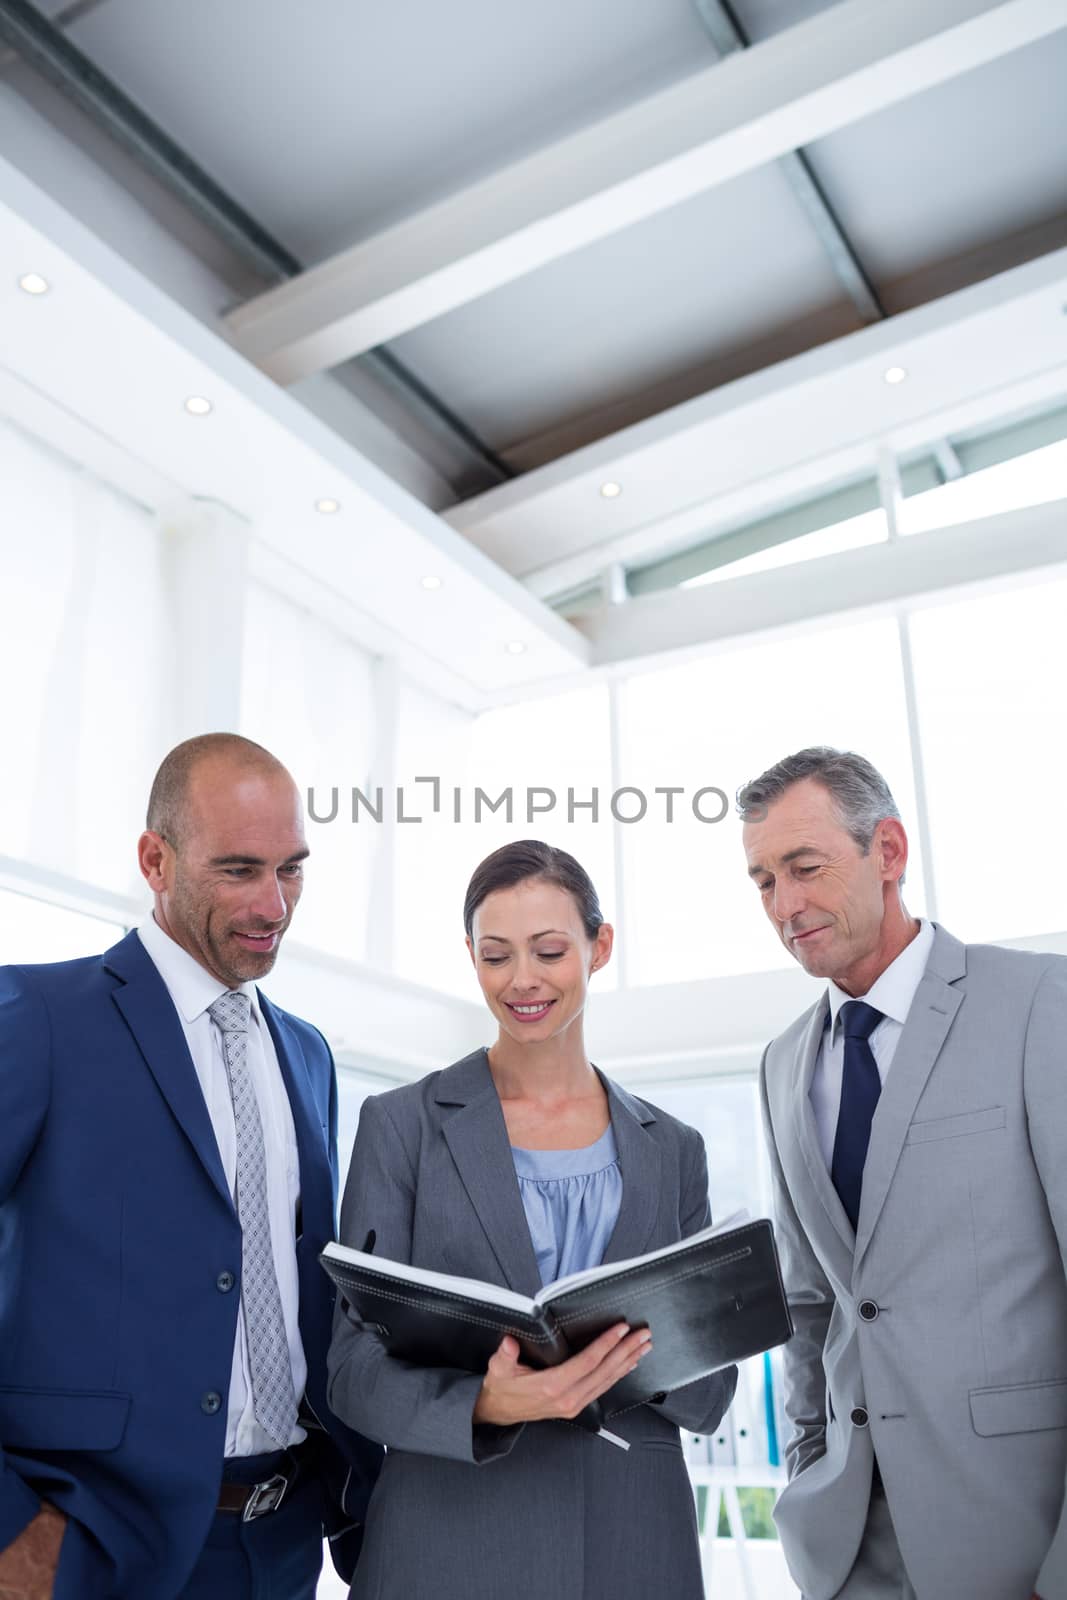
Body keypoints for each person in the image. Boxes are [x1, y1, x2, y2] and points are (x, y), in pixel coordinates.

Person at [0, 733, 381, 1600]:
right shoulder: (40, 1018)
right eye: (240, 870)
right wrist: (11, 1532)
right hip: (91, 1547)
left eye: (292, 869)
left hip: (284, 1541)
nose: (274, 904)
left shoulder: (307, 1054)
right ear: (155, 859)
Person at [327, 839, 736, 1599]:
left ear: (598, 945)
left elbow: (712, 1391)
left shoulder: (673, 1149)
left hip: (632, 1541)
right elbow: (351, 1377)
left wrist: (634, 1355)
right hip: (447, 1540)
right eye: (494, 956)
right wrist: (485, 1402)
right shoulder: (402, 1126)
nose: (521, 980)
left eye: (548, 951)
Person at [738, 746, 1067, 1600]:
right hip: (847, 1544)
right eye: (763, 881)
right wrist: (808, 1458)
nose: (785, 904)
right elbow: (809, 1301)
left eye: (804, 868)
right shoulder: (779, 1063)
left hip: (1017, 1531)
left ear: (887, 852)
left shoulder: (1038, 1003)